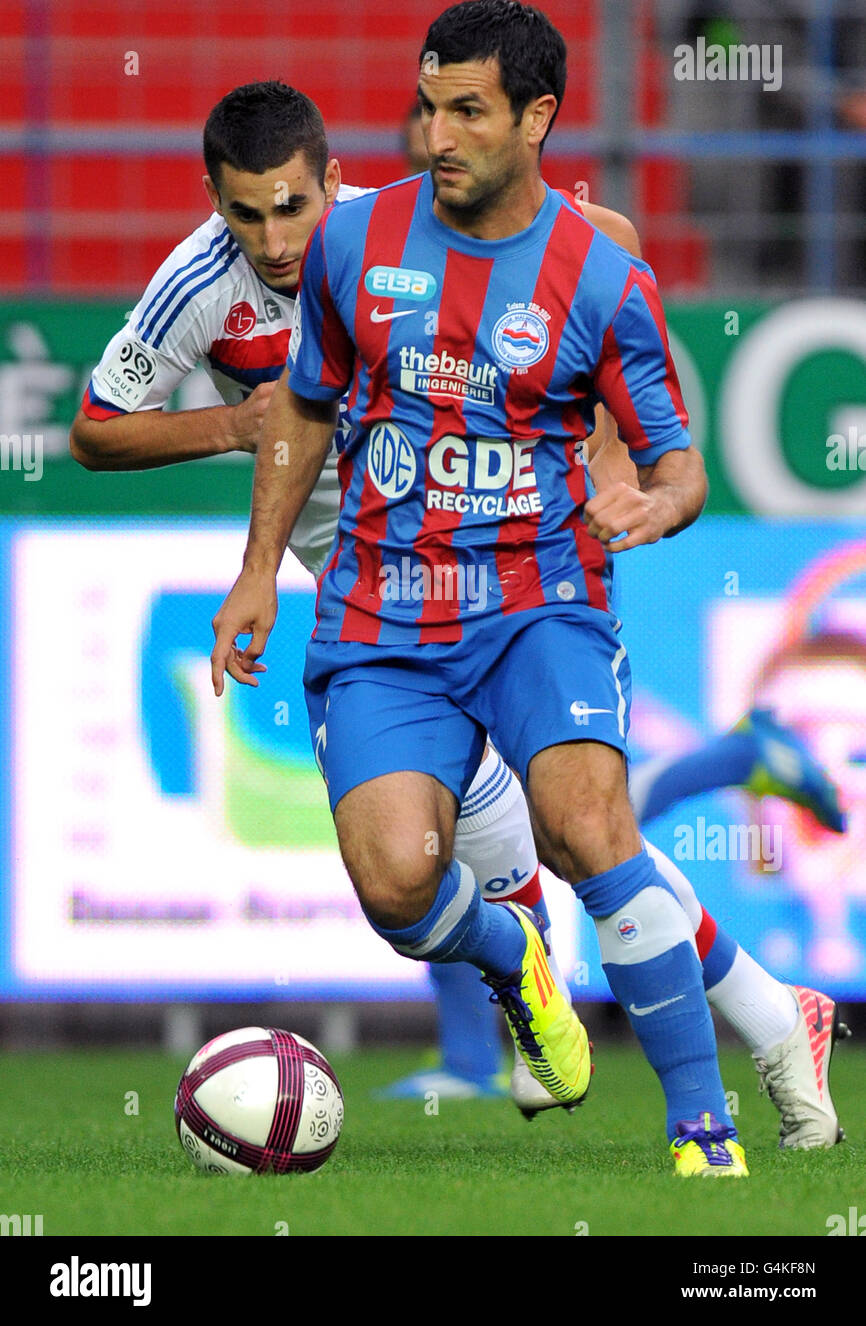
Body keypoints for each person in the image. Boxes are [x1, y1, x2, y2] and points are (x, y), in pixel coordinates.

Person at [71, 77, 847, 1156]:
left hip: (502, 576)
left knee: (577, 834)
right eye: (245, 214)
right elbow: (94, 433)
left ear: (332, 183)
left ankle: (703, 1066)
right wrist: (230, 426)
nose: (274, 236)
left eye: (292, 206)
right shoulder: (195, 286)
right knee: (462, 864)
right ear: (214, 202)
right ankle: (732, 998)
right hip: (371, 606)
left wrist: (615, 450)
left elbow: (605, 239)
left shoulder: (391, 230)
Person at [210, 0, 759, 1175]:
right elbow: (306, 405)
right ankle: (513, 957)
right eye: (425, 108)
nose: (435, 136)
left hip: (535, 600)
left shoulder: (601, 276)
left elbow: (679, 464)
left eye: (466, 111)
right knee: (396, 883)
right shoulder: (356, 246)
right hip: (377, 614)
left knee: (587, 824)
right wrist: (257, 572)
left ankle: (701, 1127)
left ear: (536, 119)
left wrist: (656, 503)